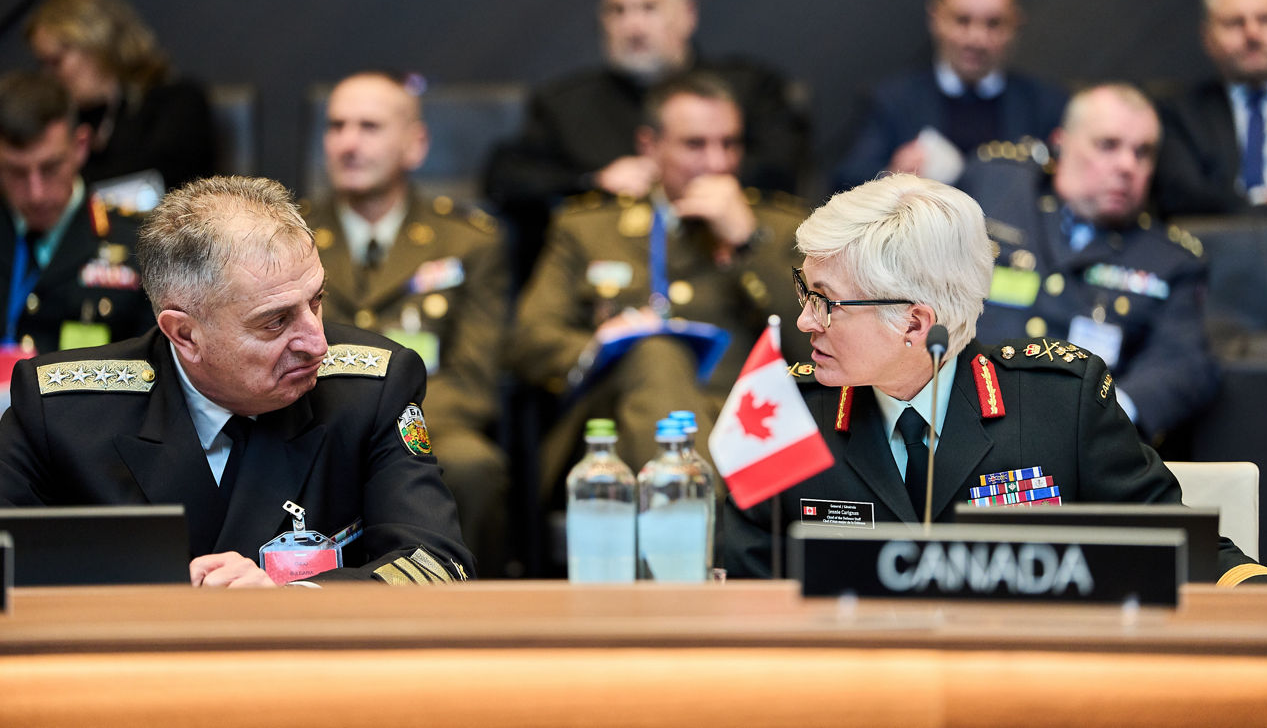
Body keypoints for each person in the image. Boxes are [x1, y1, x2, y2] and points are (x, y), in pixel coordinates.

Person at [723, 173, 1267, 586]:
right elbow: (742, 590)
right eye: (805, 290)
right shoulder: (785, 413)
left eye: (826, 302)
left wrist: (1257, 592)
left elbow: (1174, 546)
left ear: (915, 323)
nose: (804, 321)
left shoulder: (1061, 403)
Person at [0, 176, 474, 586]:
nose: (317, 343)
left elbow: (437, 564)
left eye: (316, 301)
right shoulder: (60, 410)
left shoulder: (371, 389)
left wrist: (290, 602)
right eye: (276, 322)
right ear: (185, 334)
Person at [509, 71, 809, 502]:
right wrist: (602, 346)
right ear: (650, 146)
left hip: (748, 424)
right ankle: (703, 518)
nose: (718, 163)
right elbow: (528, 341)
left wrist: (748, 245)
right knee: (653, 353)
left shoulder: (777, 228)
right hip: (614, 431)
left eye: (730, 144)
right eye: (695, 145)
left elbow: (814, 342)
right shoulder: (590, 228)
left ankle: (693, 522)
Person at [484, 0, 810, 284]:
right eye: (618, 10)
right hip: (609, 278)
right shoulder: (565, 103)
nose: (633, 26)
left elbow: (783, 166)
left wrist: (686, 180)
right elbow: (506, 178)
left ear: (687, 14)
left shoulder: (748, 89)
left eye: (649, 8)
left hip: (727, 270)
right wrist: (592, 181)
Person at [306, 70, 509, 576]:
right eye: (336, 126)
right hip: (310, 420)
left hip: (429, 422)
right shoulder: (290, 235)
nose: (348, 143)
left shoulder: (468, 240)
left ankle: (475, 609)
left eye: (369, 127)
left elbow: (473, 380)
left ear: (415, 144)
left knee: (474, 466)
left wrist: (384, 425)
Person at [959, 83, 1215, 446]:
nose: (1127, 166)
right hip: (961, 420)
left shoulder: (1171, 260)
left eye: (1142, 153)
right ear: (1060, 143)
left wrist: (1105, 414)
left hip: (1077, 443)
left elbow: (1183, 363)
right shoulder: (998, 192)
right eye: (1108, 145)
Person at [832, 0, 1066, 191]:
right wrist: (891, 174)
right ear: (936, 18)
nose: (977, 39)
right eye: (962, 21)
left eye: (993, 23)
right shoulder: (892, 101)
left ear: (1015, 25)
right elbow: (847, 181)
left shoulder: (1047, 106)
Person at [0, 70, 153, 355]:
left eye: (50, 168)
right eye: (16, 172)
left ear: (80, 146)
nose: (36, 193)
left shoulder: (138, 244)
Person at [26, 0, 217, 194]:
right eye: (42, 64)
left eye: (55, 62)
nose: (47, 76)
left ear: (96, 44)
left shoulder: (176, 101)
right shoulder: (66, 120)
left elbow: (157, 178)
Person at [1154, 0, 1267, 217]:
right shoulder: (1179, 113)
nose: (1253, 34)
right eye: (1234, 23)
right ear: (1207, 37)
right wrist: (1265, 208)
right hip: (1223, 238)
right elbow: (1181, 196)